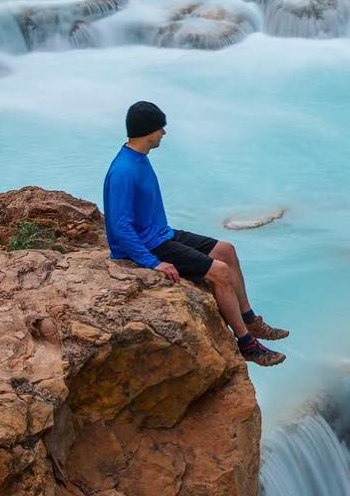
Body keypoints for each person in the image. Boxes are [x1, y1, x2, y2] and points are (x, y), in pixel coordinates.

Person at [103, 101, 287, 367]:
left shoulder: (138, 159)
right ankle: (247, 344)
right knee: (220, 272)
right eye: (160, 128)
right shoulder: (124, 170)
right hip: (149, 245)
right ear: (148, 130)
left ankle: (250, 320)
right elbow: (119, 228)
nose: (163, 133)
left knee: (227, 250)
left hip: (160, 234)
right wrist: (153, 263)